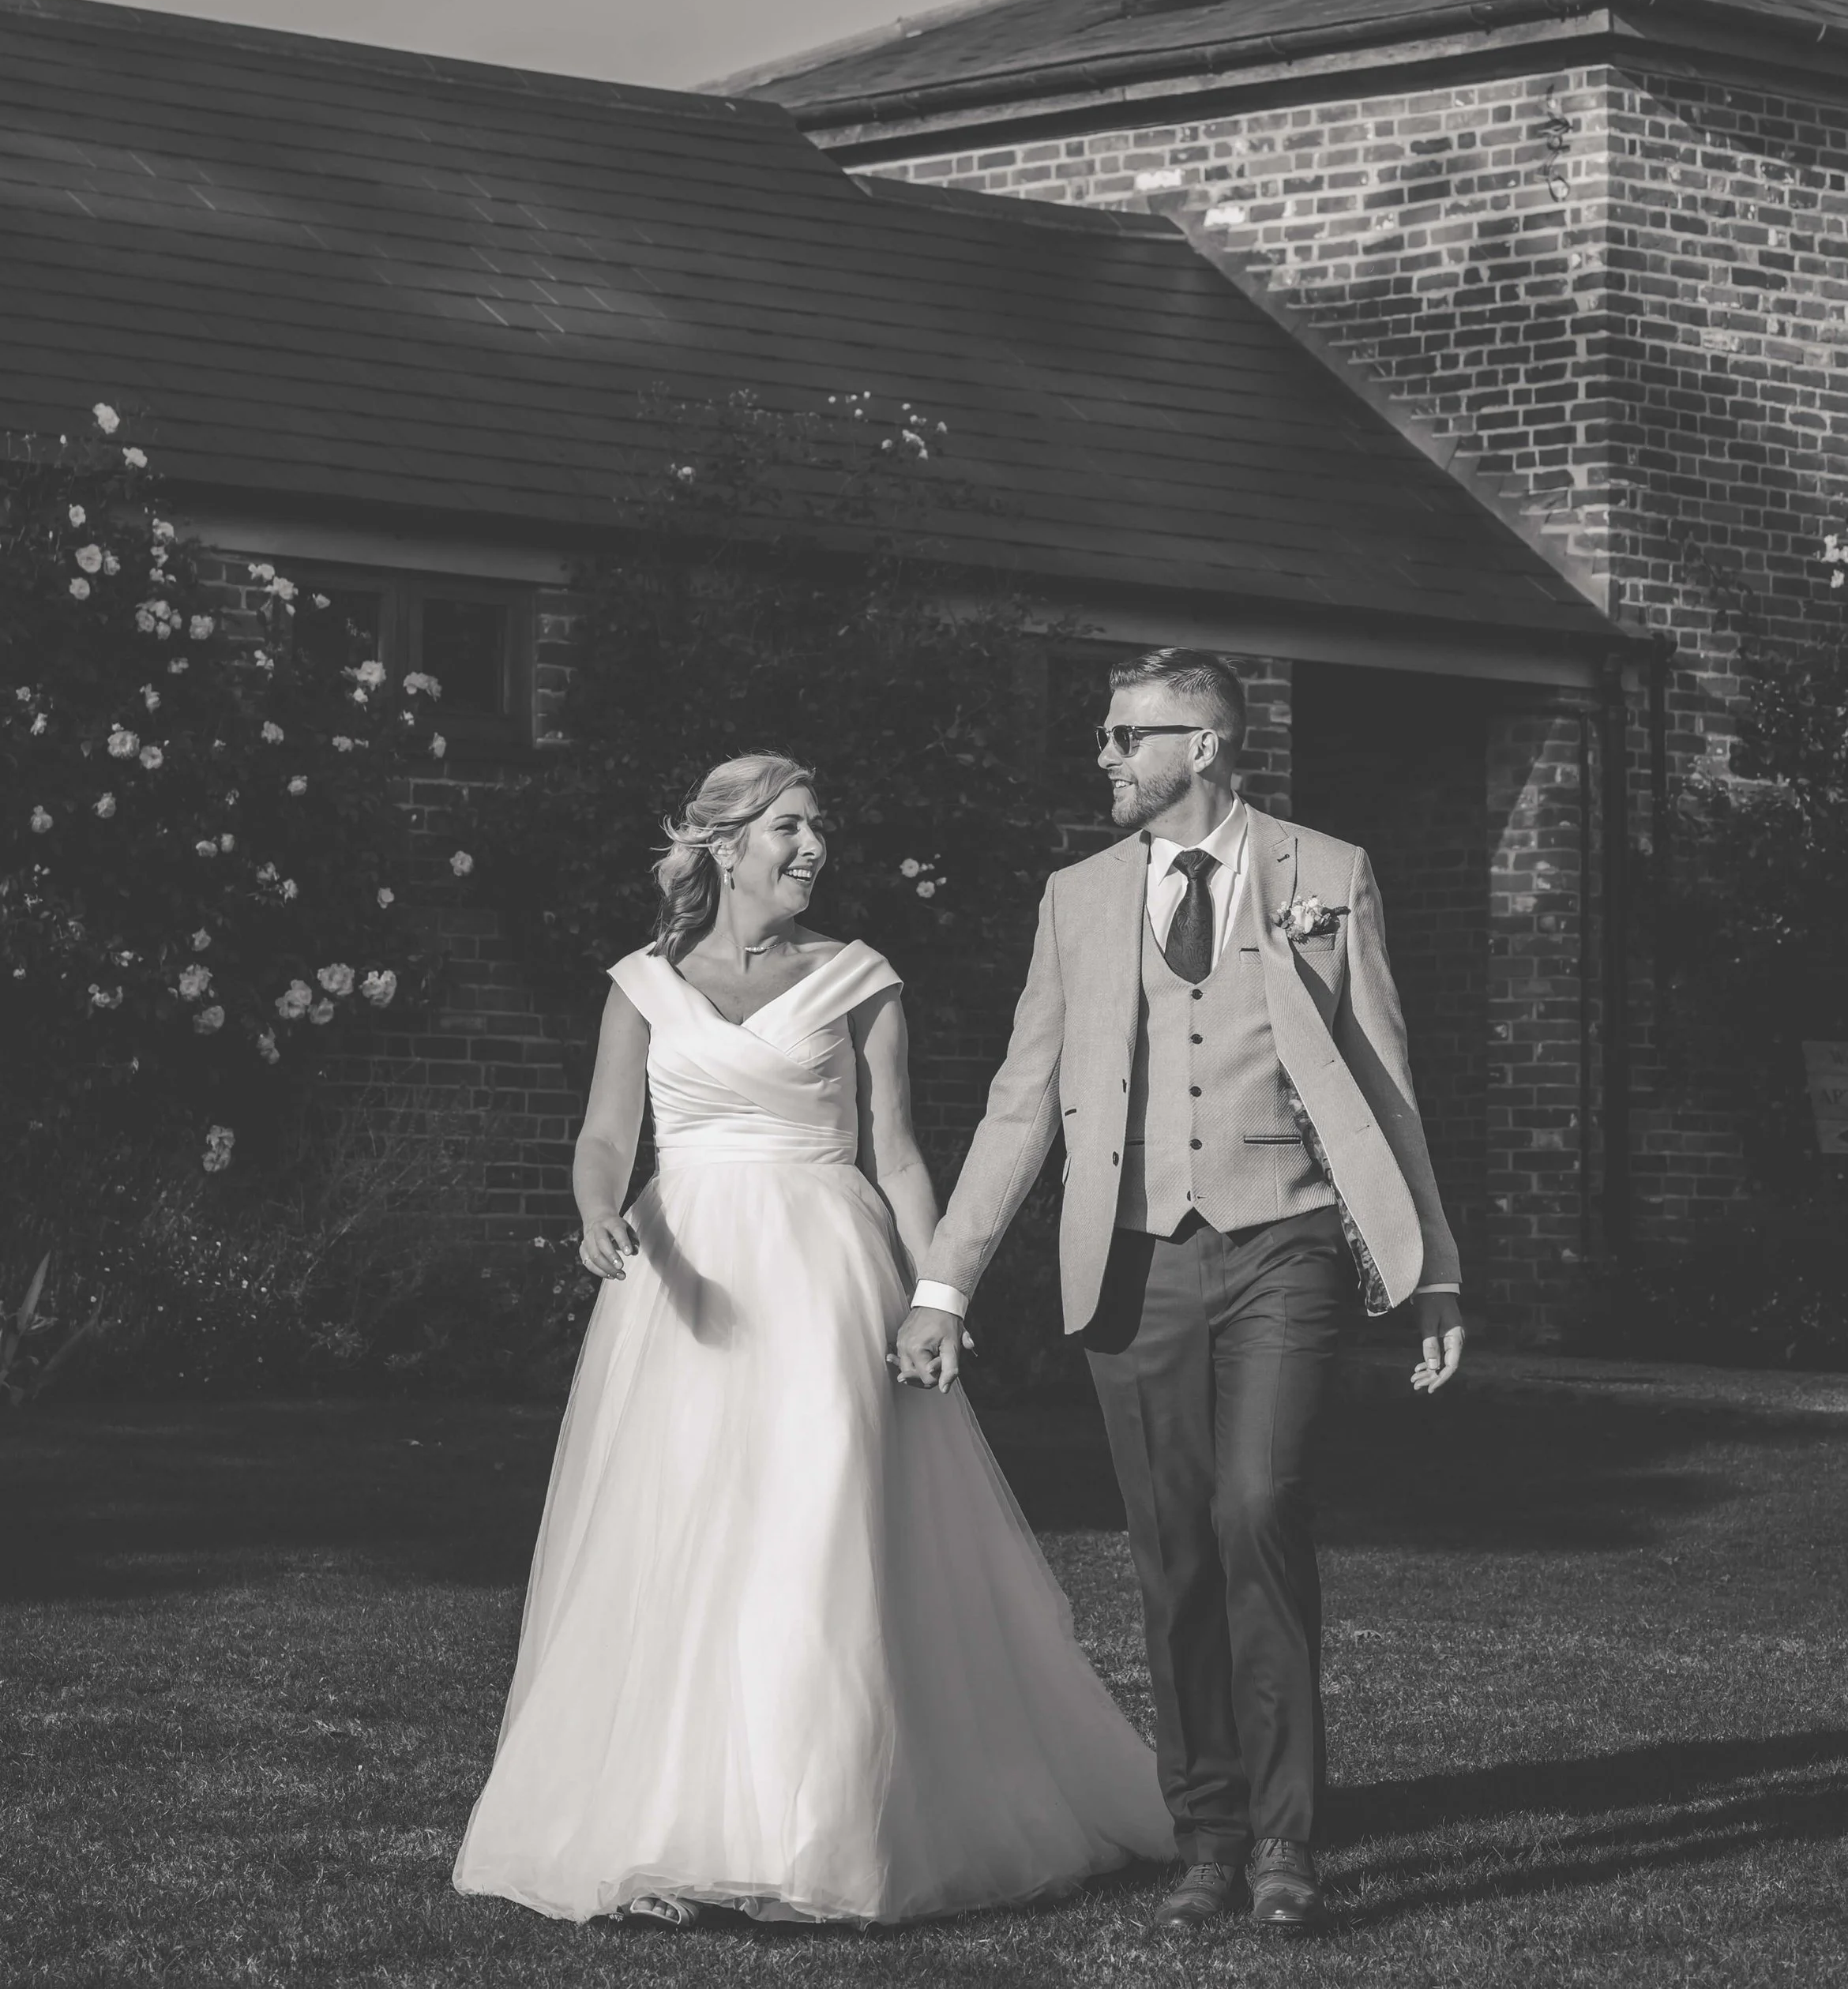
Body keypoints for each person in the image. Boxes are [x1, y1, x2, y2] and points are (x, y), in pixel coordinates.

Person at [453, 750, 1175, 1927]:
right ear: (724, 844)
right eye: (788, 827)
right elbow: (604, 1134)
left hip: (826, 1270)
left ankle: (822, 1825)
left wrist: (938, 1288)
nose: (812, 848)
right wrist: (596, 1211)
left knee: (819, 1524)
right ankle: (670, 1822)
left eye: (819, 828)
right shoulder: (640, 982)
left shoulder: (858, 977)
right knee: (681, 1530)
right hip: (681, 1281)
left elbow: (895, 1150)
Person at [893, 652, 1465, 1934]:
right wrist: (944, 1280)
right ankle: (1207, 1832)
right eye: (1104, 734)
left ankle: (1285, 1837)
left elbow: (1385, 1080)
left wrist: (1434, 1268)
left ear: (1202, 743)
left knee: (1259, 1504)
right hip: (1134, 1256)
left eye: (1124, 735)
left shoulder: (1329, 872)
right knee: (1173, 1553)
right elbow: (1020, 1097)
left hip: (1287, 1241)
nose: (1103, 755)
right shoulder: (1077, 897)